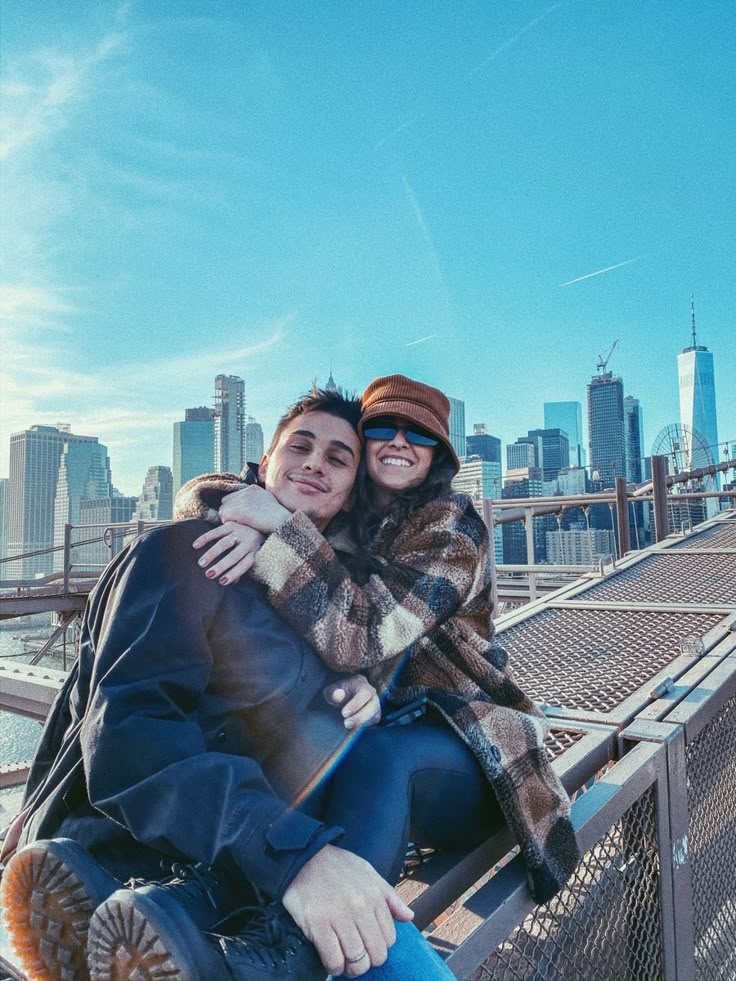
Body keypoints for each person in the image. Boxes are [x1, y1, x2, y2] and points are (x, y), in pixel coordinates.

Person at [0, 388, 454, 981]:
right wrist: (298, 856)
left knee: (377, 932)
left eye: (339, 458)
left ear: (349, 497)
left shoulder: (325, 602)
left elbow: (370, 652)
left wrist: (367, 690)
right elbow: (133, 735)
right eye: (300, 445)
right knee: (386, 950)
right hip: (169, 849)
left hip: (244, 872)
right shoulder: (185, 554)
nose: (316, 462)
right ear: (264, 465)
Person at [185, 374, 580, 903]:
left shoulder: (452, 531)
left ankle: (313, 948)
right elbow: (206, 492)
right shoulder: (339, 508)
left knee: (380, 757)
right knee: (302, 742)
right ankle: (226, 903)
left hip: (469, 748)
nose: (399, 441)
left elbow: (367, 634)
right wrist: (250, 515)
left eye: (418, 435)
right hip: (367, 728)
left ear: (437, 456)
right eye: (385, 428)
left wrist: (276, 527)